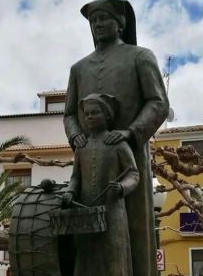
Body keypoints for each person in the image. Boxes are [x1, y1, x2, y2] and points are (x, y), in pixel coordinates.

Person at [63, 0, 169, 276]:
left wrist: (130, 132)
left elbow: (158, 103)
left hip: (129, 153)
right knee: (88, 240)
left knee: (133, 235)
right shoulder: (78, 68)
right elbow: (69, 115)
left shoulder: (140, 56)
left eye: (103, 18)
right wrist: (76, 139)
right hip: (89, 161)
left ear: (120, 23)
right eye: (93, 20)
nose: (97, 24)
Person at [63, 93, 139, 276]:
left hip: (113, 212)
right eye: (86, 114)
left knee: (113, 257)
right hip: (86, 211)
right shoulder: (81, 147)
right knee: (86, 257)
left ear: (107, 115)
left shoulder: (118, 143)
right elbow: (76, 178)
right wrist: (70, 192)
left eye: (94, 113)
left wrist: (122, 187)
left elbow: (134, 174)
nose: (89, 117)